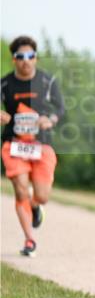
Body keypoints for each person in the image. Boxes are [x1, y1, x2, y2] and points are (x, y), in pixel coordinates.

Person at [1, 36, 65, 257]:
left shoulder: (47, 82)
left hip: (42, 145)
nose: (26, 61)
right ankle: (30, 240)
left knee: (42, 195)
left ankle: (36, 207)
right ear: (14, 60)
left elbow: (60, 108)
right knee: (20, 189)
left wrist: (51, 120)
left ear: (36, 58)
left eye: (30, 56)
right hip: (14, 144)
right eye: (20, 56)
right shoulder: (5, 84)